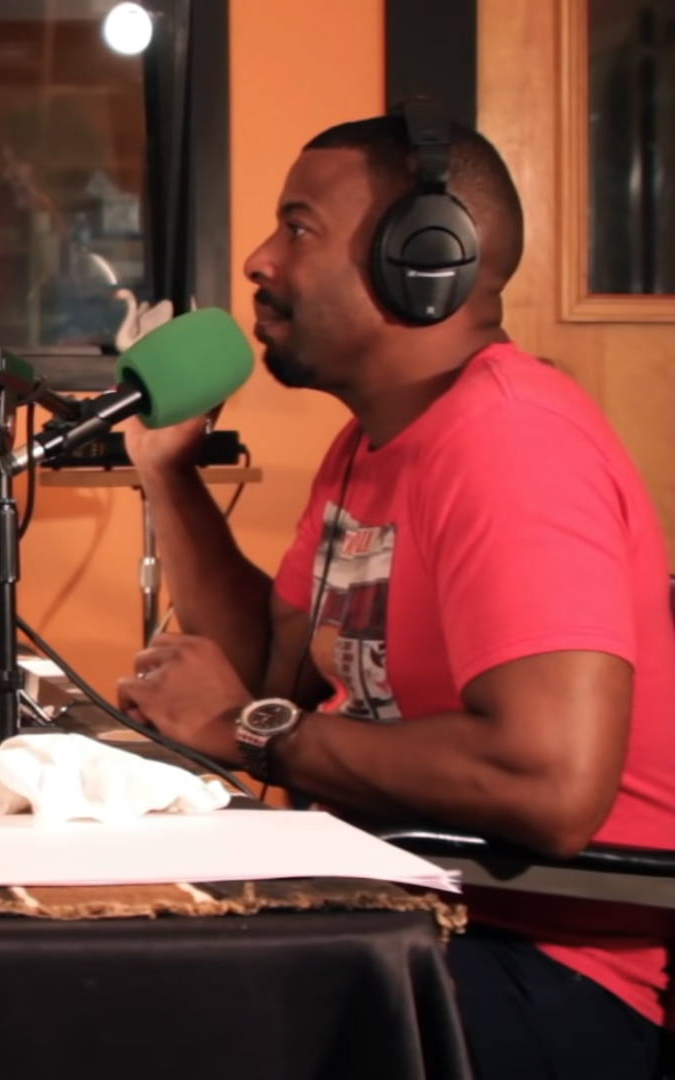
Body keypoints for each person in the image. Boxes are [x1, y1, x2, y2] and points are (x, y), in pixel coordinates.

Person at [116, 106, 673, 1080]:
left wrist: (249, 729)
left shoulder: (511, 444)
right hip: (410, 909)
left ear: (425, 259)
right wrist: (168, 472)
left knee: (126, 1020)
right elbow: (269, 673)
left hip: (554, 965)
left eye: (298, 228)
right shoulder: (369, 445)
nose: (258, 259)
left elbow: (549, 785)